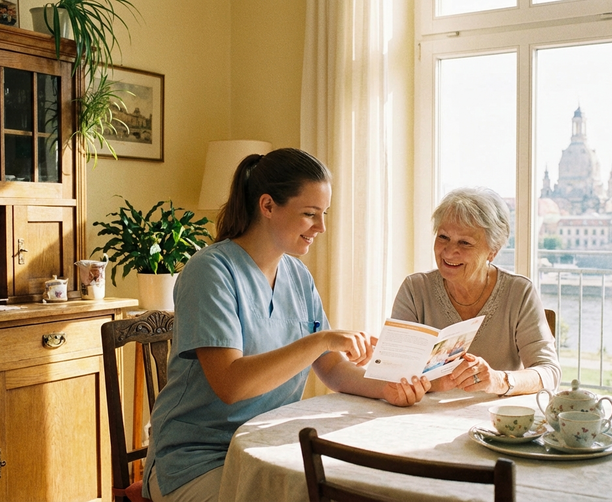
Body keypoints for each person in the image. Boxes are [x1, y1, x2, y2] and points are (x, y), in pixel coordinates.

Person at [142, 148, 431, 502]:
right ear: (267, 205)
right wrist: (320, 340)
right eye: (310, 214)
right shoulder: (210, 271)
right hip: (196, 460)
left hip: (266, 447)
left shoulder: (297, 275)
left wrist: (387, 388)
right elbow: (231, 384)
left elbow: (333, 369)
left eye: (324, 214)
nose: (321, 227)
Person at [390, 187, 560, 397]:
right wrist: (435, 382)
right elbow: (395, 371)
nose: (449, 251)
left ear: (492, 251)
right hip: (424, 413)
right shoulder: (415, 290)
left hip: (495, 415)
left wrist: (498, 380)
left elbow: (549, 372)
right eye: (443, 237)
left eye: (465, 243)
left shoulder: (519, 292)